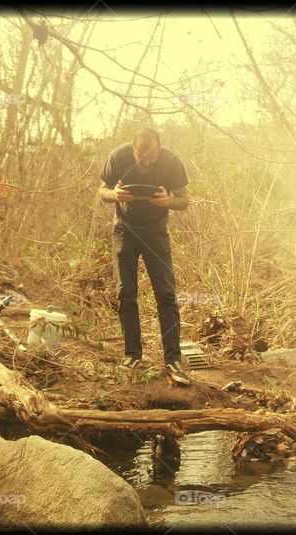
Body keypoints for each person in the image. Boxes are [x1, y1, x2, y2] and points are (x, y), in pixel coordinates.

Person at [98, 127, 192, 385]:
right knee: (125, 292)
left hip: (155, 233)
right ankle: (132, 355)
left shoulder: (171, 162)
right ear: (133, 148)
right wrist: (114, 195)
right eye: (141, 156)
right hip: (124, 229)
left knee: (166, 295)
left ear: (159, 148)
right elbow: (102, 191)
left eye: (151, 157)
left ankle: (172, 359)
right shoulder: (119, 157)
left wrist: (167, 202)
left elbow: (184, 200)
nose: (146, 161)